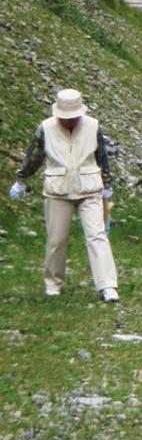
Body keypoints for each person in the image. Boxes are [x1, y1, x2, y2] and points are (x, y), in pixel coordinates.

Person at [8, 89, 120, 302]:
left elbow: (101, 156)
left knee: (97, 236)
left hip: (89, 188)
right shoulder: (46, 128)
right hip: (57, 189)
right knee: (56, 239)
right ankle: (53, 283)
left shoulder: (93, 126)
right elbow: (35, 156)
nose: (70, 121)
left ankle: (108, 285)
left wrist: (107, 183)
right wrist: (21, 179)